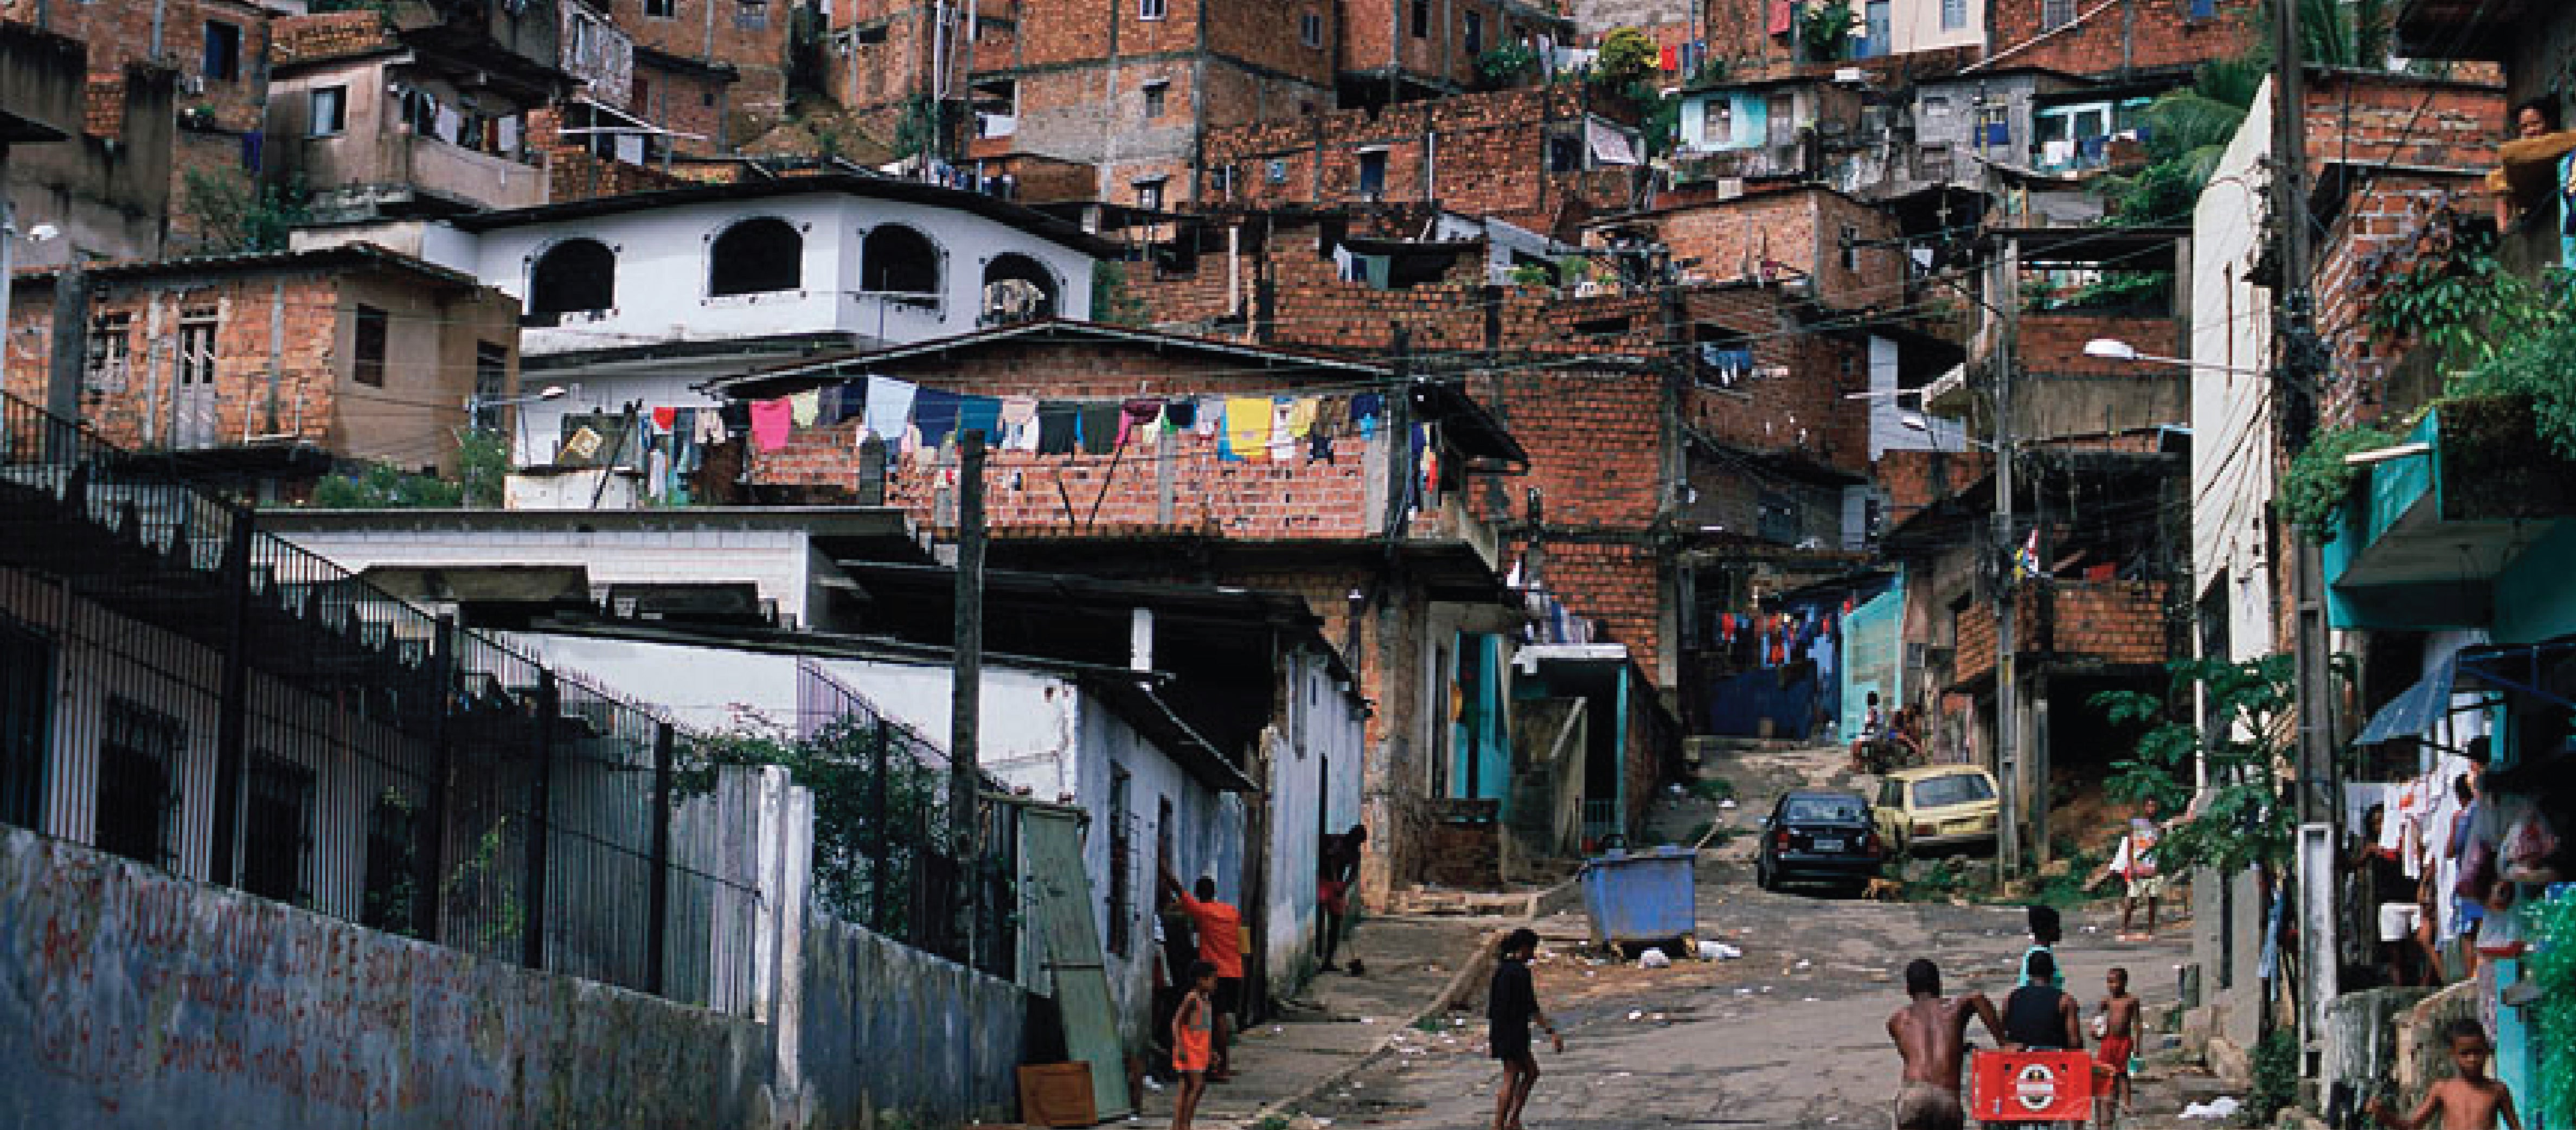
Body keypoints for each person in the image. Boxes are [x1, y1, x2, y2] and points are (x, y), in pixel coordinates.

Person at [1886, 958, 2006, 1130]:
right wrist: (2003, 1042)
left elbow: (1910, 1055)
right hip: (1946, 1096)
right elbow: (1977, 998)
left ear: (1908, 989)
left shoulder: (1897, 1021)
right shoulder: (1953, 1008)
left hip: (1914, 1094)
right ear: (1939, 984)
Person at [1161, 868, 1244, 1080]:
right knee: (1219, 1016)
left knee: (1215, 1019)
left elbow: (1180, 892)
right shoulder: (1231, 912)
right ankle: (1218, 1063)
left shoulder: (1203, 912)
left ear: (1199, 894)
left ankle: (1220, 1066)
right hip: (1234, 969)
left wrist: (1163, 868)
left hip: (1214, 975)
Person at [2366, 1019, 2522, 1130]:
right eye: (2465, 1053)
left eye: (2477, 1052)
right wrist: (2385, 1116)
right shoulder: (2443, 1089)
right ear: (2453, 1054)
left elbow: (2516, 1127)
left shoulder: (2498, 1091)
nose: (2472, 1059)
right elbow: (2413, 1126)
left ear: (2487, 1051)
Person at [1488, 927, 1562, 1130]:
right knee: (1513, 1076)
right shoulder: (1520, 973)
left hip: (1502, 1030)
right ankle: (1500, 1125)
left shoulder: (1502, 970)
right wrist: (1551, 1032)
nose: (1533, 954)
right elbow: (1532, 1008)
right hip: (1513, 1032)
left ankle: (1511, 1120)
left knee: (1528, 1072)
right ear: (1524, 948)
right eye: (1532, 949)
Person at [2355, 806, 2426, 987]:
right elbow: (2355, 864)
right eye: (2376, 823)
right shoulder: (2373, 848)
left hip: (2413, 899)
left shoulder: (2406, 842)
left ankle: (2424, 985)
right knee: (2396, 954)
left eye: (2382, 821)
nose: (2380, 826)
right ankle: (2400, 989)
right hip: (2390, 903)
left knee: (2423, 945)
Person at [2495, 98, 2564, 230]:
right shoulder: (2519, 156)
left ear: (2548, 124)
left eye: (2536, 123)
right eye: (2525, 126)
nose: (2530, 130)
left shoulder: (2558, 144)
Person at [2001, 951, 2085, 1052]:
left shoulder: (2010, 999)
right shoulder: (2066, 1001)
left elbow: (2005, 1034)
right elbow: (2075, 1044)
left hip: (2018, 1061)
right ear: (2053, 972)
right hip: (2054, 1061)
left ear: (2028, 972)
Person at [1171, 960, 1217, 1130]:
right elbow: (1176, 1021)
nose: (1215, 984)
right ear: (1201, 980)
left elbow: (1205, 1029)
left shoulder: (1206, 1001)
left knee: (1185, 1088)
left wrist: (1211, 1051)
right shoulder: (1192, 998)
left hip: (1199, 1051)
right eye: (1212, 980)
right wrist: (1180, 1045)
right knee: (1198, 1086)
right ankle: (1185, 1124)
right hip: (1189, 1050)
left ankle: (1178, 1125)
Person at [2117, 798, 2169, 942]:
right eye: (2149, 806)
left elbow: (2161, 848)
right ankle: (2124, 929)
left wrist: (2161, 866)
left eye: (2154, 806)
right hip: (2138, 868)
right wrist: (2131, 867)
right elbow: (2130, 846)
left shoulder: (2158, 827)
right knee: (2132, 899)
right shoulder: (2136, 825)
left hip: (2154, 869)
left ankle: (2151, 931)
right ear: (2144, 808)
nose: (2151, 809)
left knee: (2153, 900)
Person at [1318, 824, 1367, 972]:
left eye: (1359, 843)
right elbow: (1327, 859)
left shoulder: (1355, 853)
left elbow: (1354, 873)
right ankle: (1319, 954)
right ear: (1351, 836)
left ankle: (1328, 961)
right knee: (1321, 917)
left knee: (1336, 924)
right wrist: (1334, 883)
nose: (1357, 845)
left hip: (1339, 886)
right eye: (1356, 841)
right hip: (1323, 882)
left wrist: (1344, 887)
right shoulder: (1335, 842)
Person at [2094, 967, 2142, 1111]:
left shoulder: (2131, 1001)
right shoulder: (2106, 1001)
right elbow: (2098, 1019)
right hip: (2108, 1040)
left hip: (2124, 1041)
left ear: (2124, 983)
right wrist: (2096, 1031)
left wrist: (2137, 1046)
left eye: (2115, 982)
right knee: (2105, 1071)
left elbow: (2137, 1024)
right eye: (2109, 982)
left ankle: (2127, 1105)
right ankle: (2108, 1100)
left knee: (2123, 1073)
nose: (2112, 986)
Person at [2020, 904, 2066, 988]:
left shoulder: (2041, 952)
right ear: (2046, 929)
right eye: (2056, 926)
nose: (2060, 930)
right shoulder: (2038, 957)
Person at [1852, 691, 1887, 772]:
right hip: (1876, 734)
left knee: (1856, 744)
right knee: (1856, 743)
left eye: (1867, 699)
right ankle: (1859, 764)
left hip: (1874, 735)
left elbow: (1872, 723)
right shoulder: (1878, 710)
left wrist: (1865, 731)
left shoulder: (1873, 710)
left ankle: (1859, 765)